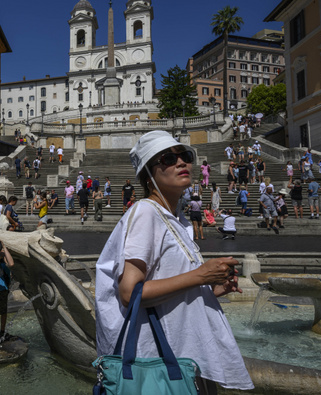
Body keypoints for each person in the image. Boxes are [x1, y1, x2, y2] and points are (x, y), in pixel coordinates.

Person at [95, 131, 252, 392]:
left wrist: (210, 289)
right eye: (167, 158)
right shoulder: (146, 212)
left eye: (185, 156)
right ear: (149, 175)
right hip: (159, 358)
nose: (181, 162)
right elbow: (129, 293)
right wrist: (200, 276)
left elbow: (169, 283)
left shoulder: (175, 219)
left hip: (180, 352)